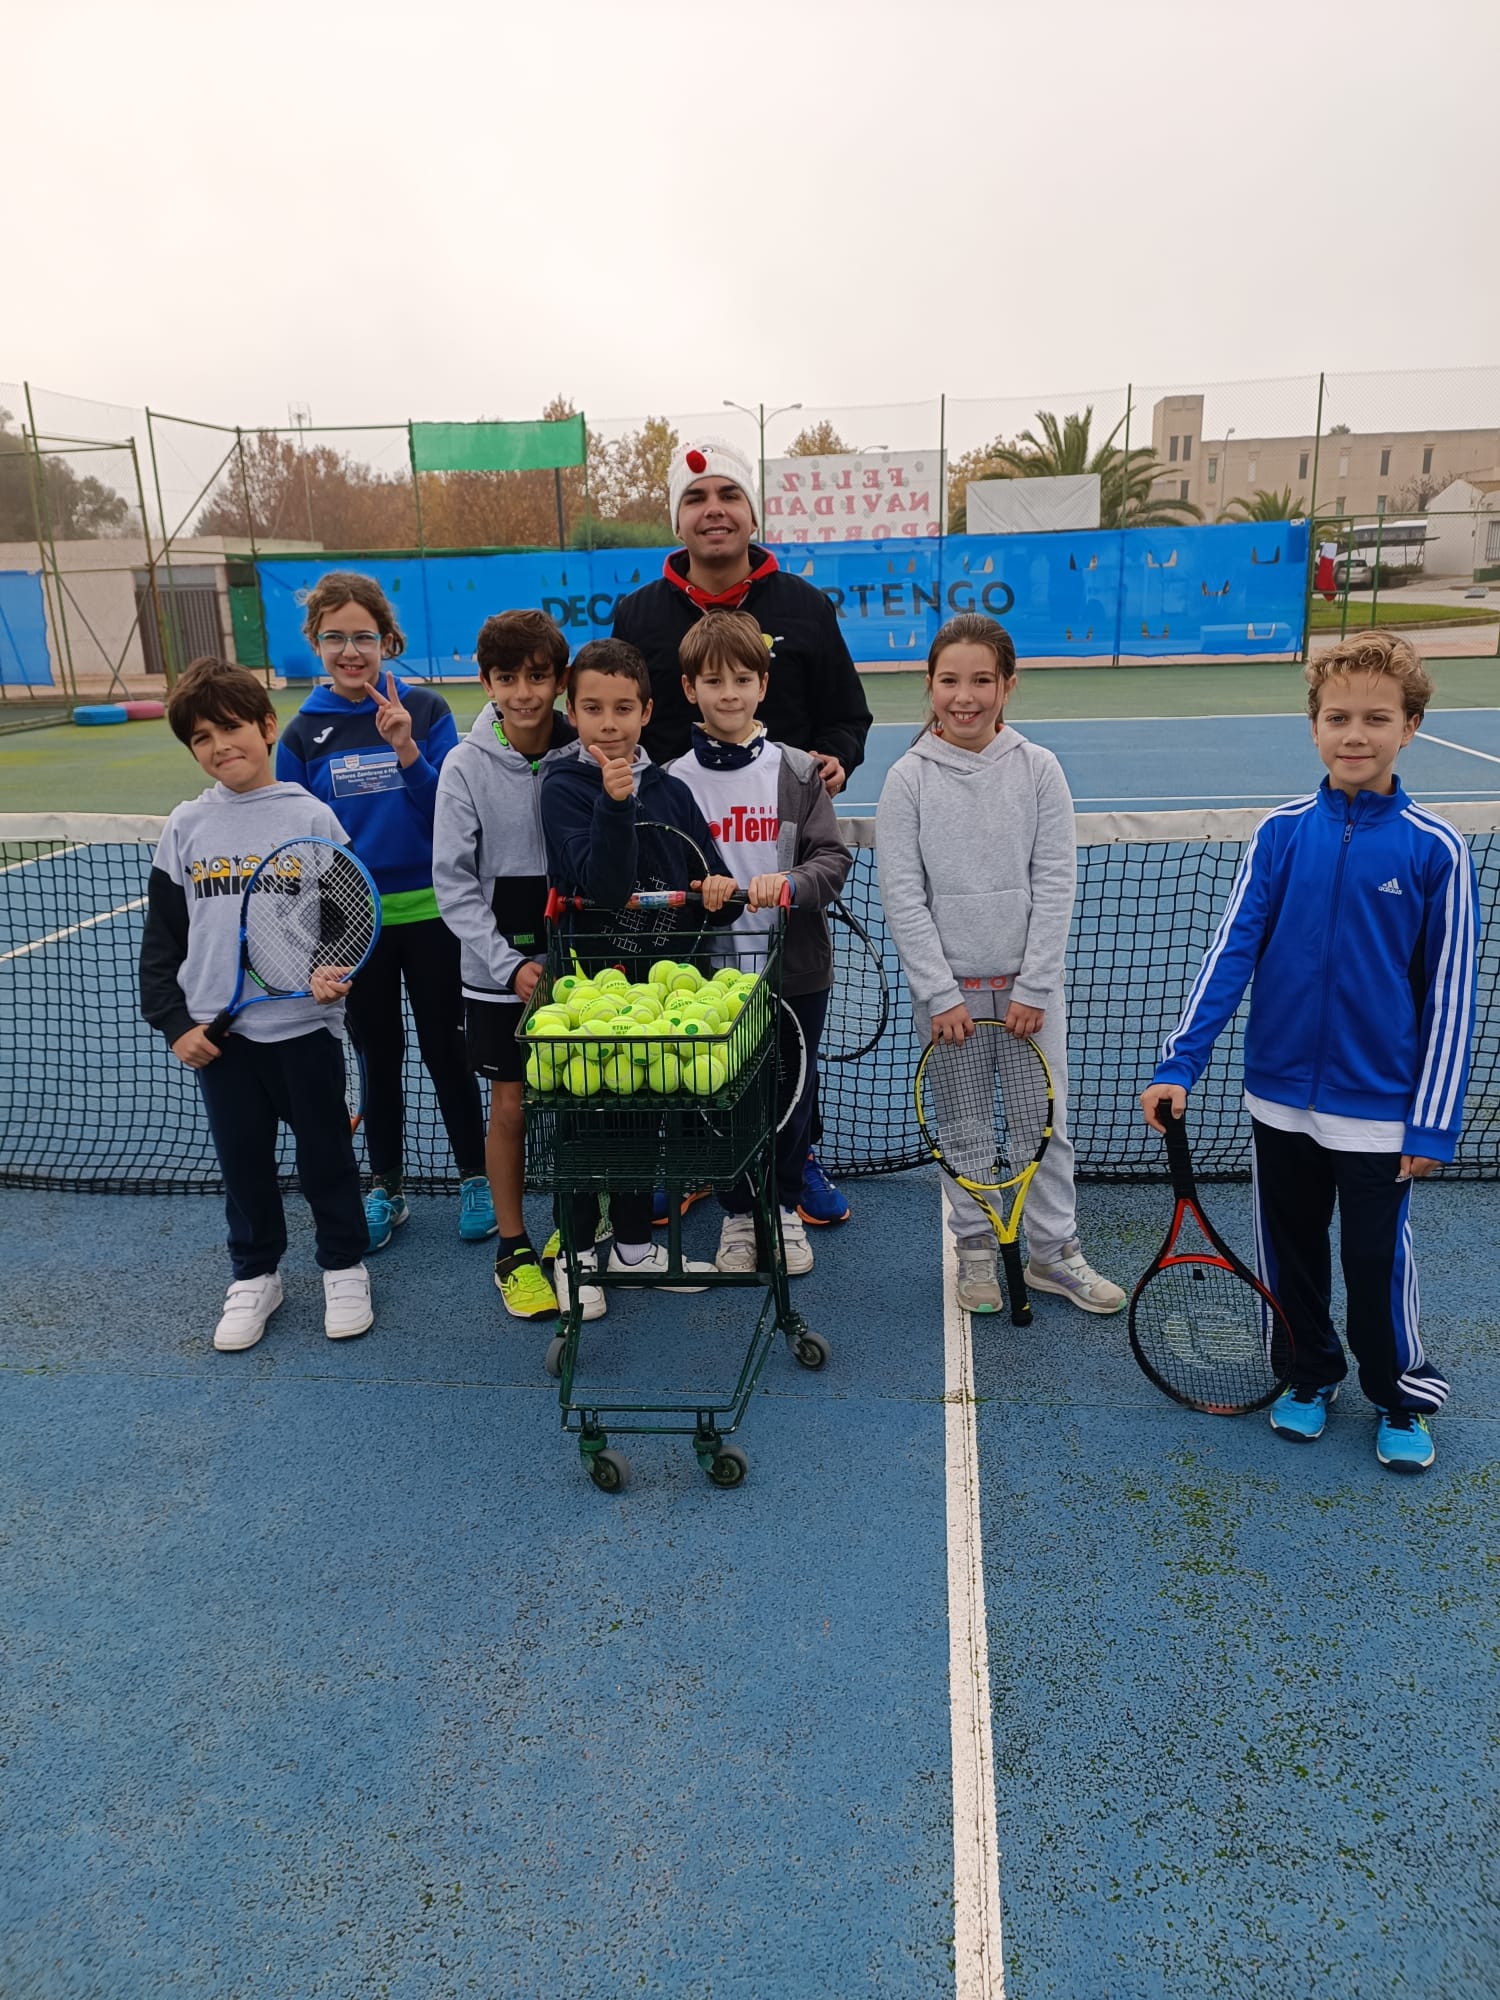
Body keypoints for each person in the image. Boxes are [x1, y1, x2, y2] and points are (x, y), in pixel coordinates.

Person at [1141, 632, 1478, 1474]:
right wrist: (1180, 1062)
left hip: (1381, 1109)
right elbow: (1231, 952)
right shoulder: (1281, 834)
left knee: (1373, 1260)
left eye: (1376, 718)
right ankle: (1308, 1371)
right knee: (1290, 1251)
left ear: (1411, 726)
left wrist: (1431, 1123)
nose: (1354, 734)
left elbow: (1452, 997)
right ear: (1314, 725)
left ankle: (1398, 1391)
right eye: (1337, 717)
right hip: (1279, 1098)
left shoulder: (1436, 848)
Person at [612, 434, 873, 1227]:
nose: (713, 510)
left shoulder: (804, 605)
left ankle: (799, 1159)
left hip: (777, 855)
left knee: (789, 1044)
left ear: (751, 511)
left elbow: (847, 715)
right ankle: (699, 1158)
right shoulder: (638, 615)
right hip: (684, 876)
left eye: (728, 494)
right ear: (678, 519)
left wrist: (837, 757)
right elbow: (617, 712)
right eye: (696, 498)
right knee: (690, 1032)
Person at [876, 613, 1124, 1318]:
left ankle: (1053, 1252)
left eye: (982, 680)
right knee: (964, 1132)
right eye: (950, 680)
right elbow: (903, 895)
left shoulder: (1038, 769)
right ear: (930, 685)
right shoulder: (907, 779)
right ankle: (976, 1249)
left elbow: (1055, 882)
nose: (965, 696)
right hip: (949, 1005)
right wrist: (940, 994)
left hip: (1028, 1001)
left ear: (1008, 685)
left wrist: (1035, 986)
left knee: (1044, 1127)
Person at [139, 658, 373, 1351]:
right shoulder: (185, 826)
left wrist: (334, 969)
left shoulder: (311, 815)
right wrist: (175, 1025)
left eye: (231, 728)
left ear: (267, 727)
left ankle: (343, 1264)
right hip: (221, 1040)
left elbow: (350, 918)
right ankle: (255, 1274)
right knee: (242, 1163)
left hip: (304, 1026)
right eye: (201, 737)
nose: (219, 746)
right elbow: (163, 941)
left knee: (326, 1155)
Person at [277, 570, 492, 1254]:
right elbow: (295, 844)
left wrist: (405, 748)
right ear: (316, 642)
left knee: (447, 1050)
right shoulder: (301, 734)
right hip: (350, 925)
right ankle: (387, 1188)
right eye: (335, 637)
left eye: (364, 637)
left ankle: (476, 1178)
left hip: (434, 914)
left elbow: (450, 814)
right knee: (378, 1056)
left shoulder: (425, 710)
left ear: (386, 641)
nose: (350, 651)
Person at [539, 636, 738, 1319]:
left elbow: (710, 879)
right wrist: (614, 804)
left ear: (647, 712)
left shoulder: (673, 791)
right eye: (593, 709)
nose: (609, 724)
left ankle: (630, 1247)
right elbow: (601, 885)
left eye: (624, 709)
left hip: (661, 999)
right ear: (572, 712)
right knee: (586, 1130)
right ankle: (574, 1257)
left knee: (640, 1120)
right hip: (589, 994)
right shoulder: (563, 788)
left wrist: (718, 891)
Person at [665, 609, 852, 1277]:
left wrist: (790, 884)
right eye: (714, 682)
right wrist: (698, 891)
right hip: (708, 980)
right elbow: (661, 876)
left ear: (763, 685)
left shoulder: (798, 772)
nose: (729, 694)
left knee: (791, 1099)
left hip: (793, 972)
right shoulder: (671, 780)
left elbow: (831, 860)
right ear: (689, 689)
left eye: (743, 679)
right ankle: (739, 1214)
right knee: (723, 1100)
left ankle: (783, 1207)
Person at [433, 610, 578, 1321]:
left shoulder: (585, 749)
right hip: (497, 975)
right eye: (508, 678)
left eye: (538, 676)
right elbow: (454, 884)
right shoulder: (463, 766)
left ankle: (580, 1227)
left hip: (581, 967)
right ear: (486, 682)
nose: (524, 693)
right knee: (512, 1105)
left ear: (559, 680)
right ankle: (513, 1248)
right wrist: (508, 964)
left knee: (585, 1099)